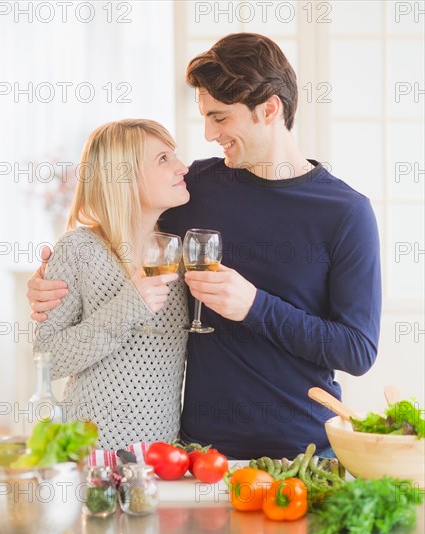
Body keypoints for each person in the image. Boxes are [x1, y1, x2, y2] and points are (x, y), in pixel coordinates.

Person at [27, 33, 381, 459]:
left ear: (269, 109)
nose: (210, 135)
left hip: (304, 451)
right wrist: (50, 282)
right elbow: (119, 226)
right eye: (205, 118)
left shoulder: (345, 212)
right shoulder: (195, 188)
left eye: (220, 118)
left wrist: (254, 305)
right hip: (195, 455)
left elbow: (357, 350)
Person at [30, 119, 190, 449]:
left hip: (163, 456)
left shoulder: (183, 254)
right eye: (163, 159)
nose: (182, 167)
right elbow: (46, 357)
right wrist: (127, 307)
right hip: (88, 450)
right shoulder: (78, 248)